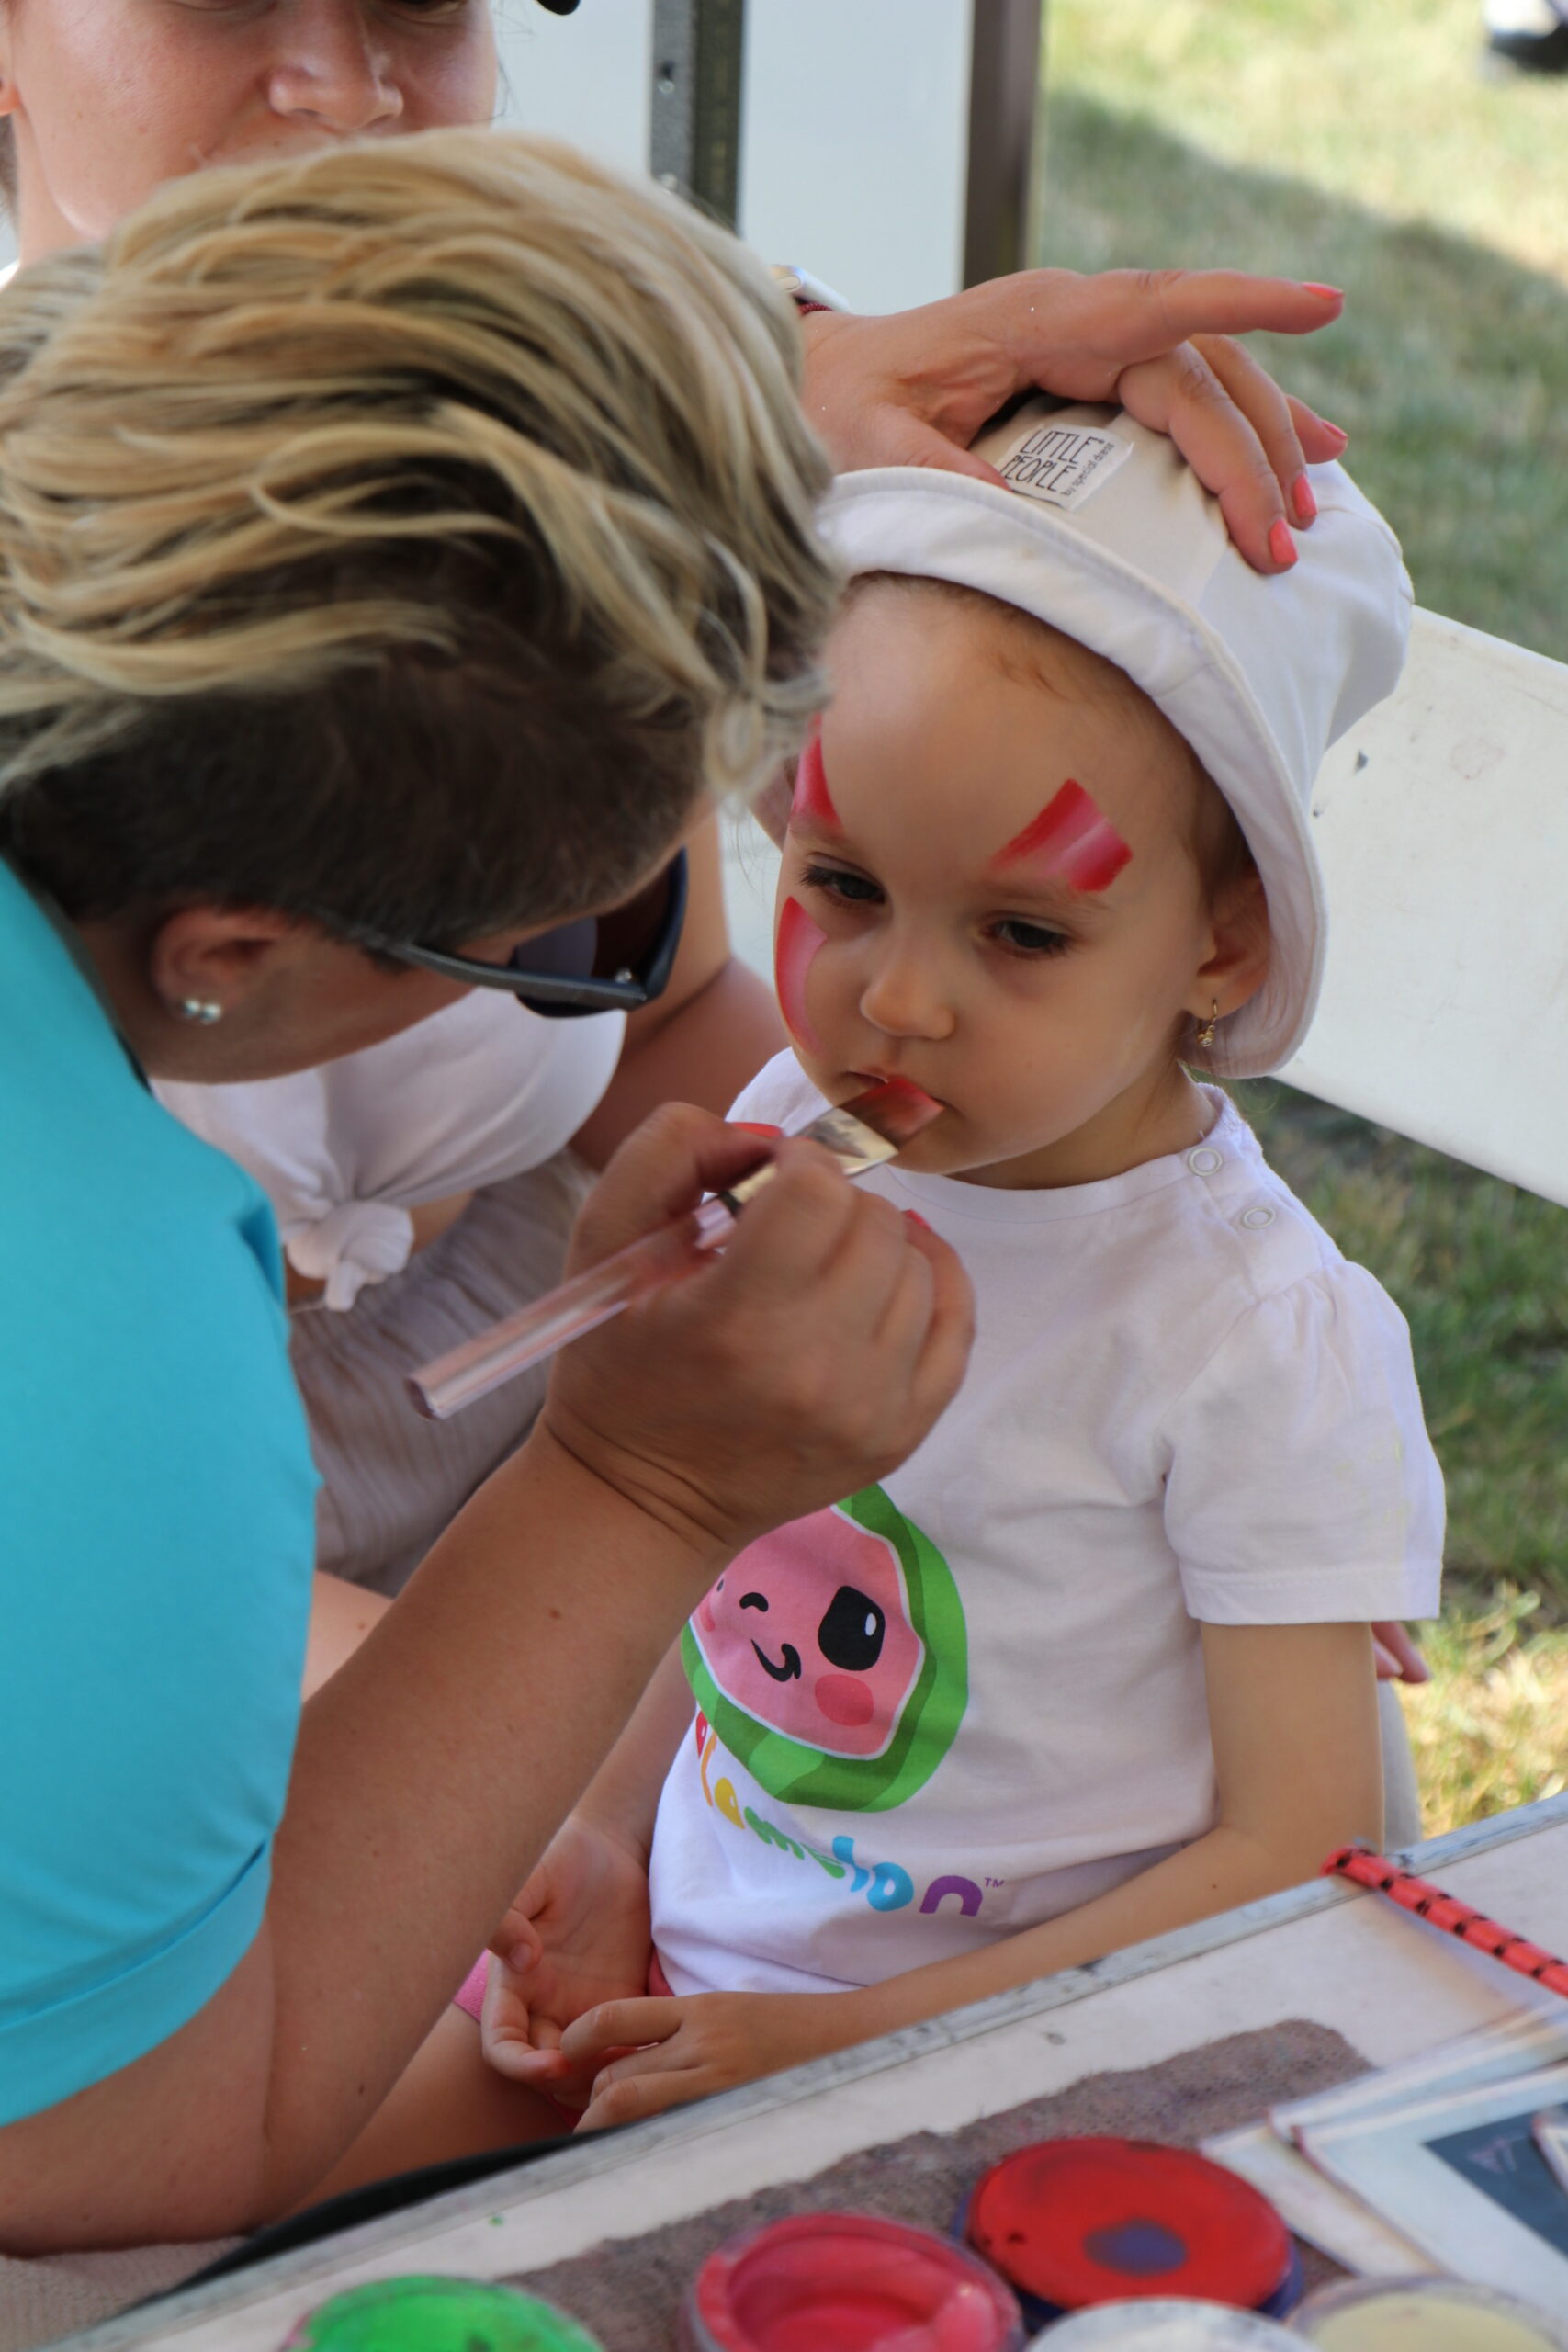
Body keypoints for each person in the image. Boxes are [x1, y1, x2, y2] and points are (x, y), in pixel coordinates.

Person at [0, 0, 1364, 1597]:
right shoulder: (103, 1310)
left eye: (425, 2)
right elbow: (181, 1654)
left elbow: (661, 1032)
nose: (345, 84)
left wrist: (1075, 1298)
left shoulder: (566, 501)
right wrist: (632, 1527)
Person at [0, 129, 983, 2247]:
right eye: (560, 942)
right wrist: (630, 1485)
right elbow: (112, 2138)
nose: (606, 971)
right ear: (236, 946)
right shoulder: (103, 1313)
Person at [478, 398, 1446, 2130]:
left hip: (1021, 2068)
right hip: (685, 1971)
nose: (899, 1002)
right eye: (843, 885)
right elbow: (716, 1563)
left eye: (1021, 930)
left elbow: (1302, 1850)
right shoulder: (790, 1133)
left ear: (1221, 946)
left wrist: (858, 2047)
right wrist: (609, 1830)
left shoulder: (1254, 1339)